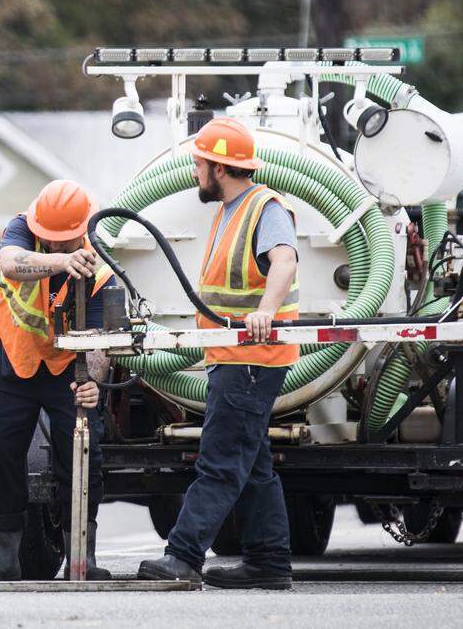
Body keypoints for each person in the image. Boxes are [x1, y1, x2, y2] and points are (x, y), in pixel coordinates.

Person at [138, 117, 300, 590]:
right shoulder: (230, 210)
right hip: (233, 357)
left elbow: (285, 258)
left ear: (219, 167)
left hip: (251, 358)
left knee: (222, 458)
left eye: (199, 164)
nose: (194, 172)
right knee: (253, 464)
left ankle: (183, 555)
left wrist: (265, 312)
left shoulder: (263, 207)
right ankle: (269, 563)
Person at [0, 179, 116, 582]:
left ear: (82, 231)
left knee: (82, 455)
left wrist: (94, 383)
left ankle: (81, 558)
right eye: (46, 239)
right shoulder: (21, 227)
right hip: (8, 357)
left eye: (62, 243)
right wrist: (62, 262)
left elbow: (100, 344)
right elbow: (12, 263)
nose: (51, 246)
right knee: (2, 453)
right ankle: (4, 558)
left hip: (68, 367)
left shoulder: (102, 263)